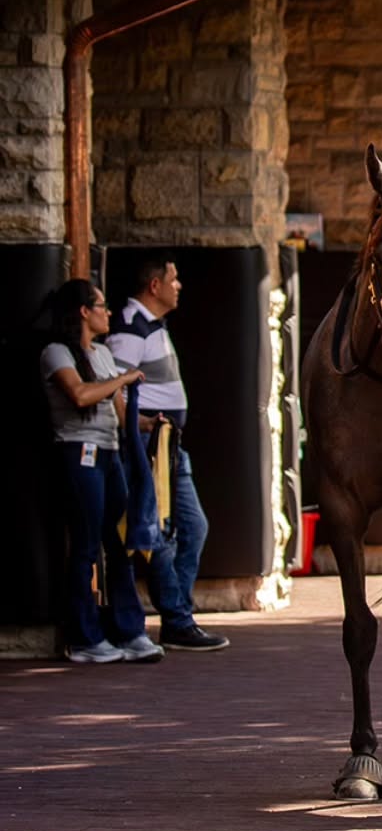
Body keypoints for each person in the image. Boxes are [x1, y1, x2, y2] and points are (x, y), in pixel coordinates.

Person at [40, 279, 164, 664]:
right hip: (79, 453)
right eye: (101, 305)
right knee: (86, 543)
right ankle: (84, 637)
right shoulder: (56, 353)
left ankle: (130, 630)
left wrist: (149, 424)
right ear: (83, 311)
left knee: (120, 543)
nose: (107, 312)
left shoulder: (103, 354)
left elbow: (119, 408)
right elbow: (80, 395)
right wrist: (122, 380)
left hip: (109, 454)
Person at [107, 257, 227, 651]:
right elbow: (115, 387)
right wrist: (136, 426)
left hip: (169, 446)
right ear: (155, 285)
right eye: (174, 280)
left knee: (193, 527)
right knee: (155, 533)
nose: (180, 286)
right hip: (147, 448)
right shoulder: (130, 326)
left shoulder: (153, 325)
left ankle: (177, 615)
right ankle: (177, 619)